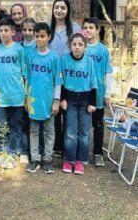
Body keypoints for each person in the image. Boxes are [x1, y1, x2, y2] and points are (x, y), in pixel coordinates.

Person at [25, 22, 61, 174]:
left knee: (49, 131)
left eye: (42, 36)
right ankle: (34, 159)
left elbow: (58, 81)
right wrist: (26, 98)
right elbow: (27, 78)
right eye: (37, 36)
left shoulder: (54, 57)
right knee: (33, 130)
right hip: (33, 100)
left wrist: (56, 101)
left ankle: (47, 160)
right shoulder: (30, 55)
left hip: (48, 101)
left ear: (49, 37)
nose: (39, 39)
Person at [0, 18, 27, 169]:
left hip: (17, 96)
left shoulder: (19, 50)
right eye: (1, 31)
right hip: (1, 97)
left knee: (15, 127)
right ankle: (2, 153)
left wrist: (25, 95)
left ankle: (12, 154)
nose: (3, 33)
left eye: (6, 30)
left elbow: (24, 73)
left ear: (13, 32)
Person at [60, 32, 97, 175]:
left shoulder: (89, 61)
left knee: (84, 132)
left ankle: (81, 161)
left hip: (85, 100)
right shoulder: (64, 60)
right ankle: (69, 160)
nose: (77, 47)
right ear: (70, 46)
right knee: (70, 131)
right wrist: (63, 99)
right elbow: (61, 80)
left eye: (80, 44)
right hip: (70, 99)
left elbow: (93, 82)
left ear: (85, 47)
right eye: (74, 44)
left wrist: (92, 102)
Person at [49, 0, 81, 154]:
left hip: (70, 77)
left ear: (68, 10)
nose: (59, 10)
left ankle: (69, 146)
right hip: (51, 76)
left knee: (68, 110)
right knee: (54, 111)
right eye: (56, 7)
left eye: (63, 8)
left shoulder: (75, 28)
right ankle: (57, 146)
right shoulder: (48, 27)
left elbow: (80, 50)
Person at [83, 17, 113, 167]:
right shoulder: (80, 47)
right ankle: (82, 152)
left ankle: (97, 153)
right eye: (85, 28)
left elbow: (108, 71)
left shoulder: (103, 50)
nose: (87, 30)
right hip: (83, 92)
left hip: (99, 92)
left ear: (97, 30)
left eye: (90, 27)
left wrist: (108, 94)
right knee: (82, 124)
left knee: (98, 124)